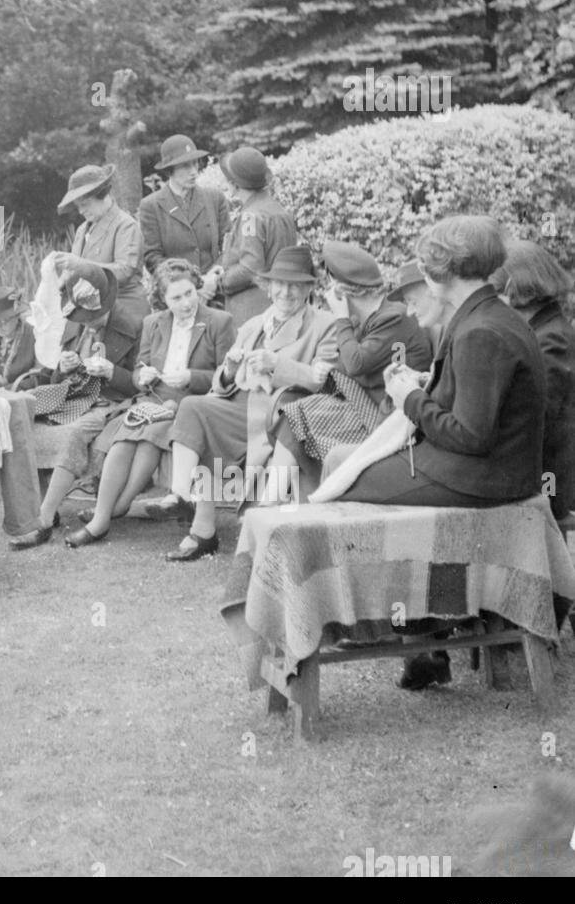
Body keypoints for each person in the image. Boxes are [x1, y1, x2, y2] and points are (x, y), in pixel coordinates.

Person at [346, 217, 548, 692]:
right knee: (344, 464)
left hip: (482, 479)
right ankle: (422, 638)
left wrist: (409, 401)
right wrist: (423, 389)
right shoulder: (487, 316)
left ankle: (397, 631)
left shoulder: (481, 330)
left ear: (442, 271)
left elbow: (471, 435)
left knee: (343, 478)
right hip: (483, 471)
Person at [155, 246, 337, 561]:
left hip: (279, 416)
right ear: (268, 287)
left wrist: (276, 364)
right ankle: (183, 498)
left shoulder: (325, 325)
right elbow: (222, 385)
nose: (286, 292)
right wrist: (227, 369)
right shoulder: (255, 324)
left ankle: (202, 531)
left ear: (309, 288)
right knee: (195, 408)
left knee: (204, 417)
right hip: (241, 407)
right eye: (279, 283)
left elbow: (326, 381)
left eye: (296, 284)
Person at [63, 260, 235, 547]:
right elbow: (137, 372)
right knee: (127, 439)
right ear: (163, 300)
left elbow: (228, 376)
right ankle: (103, 517)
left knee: (148, 432)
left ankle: (112, 512)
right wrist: (143, 375)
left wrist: (192, 376)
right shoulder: (153, 323)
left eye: (190, 293)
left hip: (193, 403)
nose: (185, 303)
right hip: (154, 397)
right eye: (176, 298)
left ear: (198, 289)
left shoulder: (219, 322)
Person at [262, 241, 432, 503]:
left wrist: (340, 317)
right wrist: (327, 367)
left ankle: (274, 502)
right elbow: (350, 368)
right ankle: (272, 501)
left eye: (332, 288)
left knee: (297, 414)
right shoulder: (371, 320)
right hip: (370, 408)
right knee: (293, 412)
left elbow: (356, 364)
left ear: (342, 291)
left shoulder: (394, 318)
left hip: (390, 420)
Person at [10, 265, 140, 549]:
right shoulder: (76, 323)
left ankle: (42, 521)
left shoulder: (133, 326)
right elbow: (57, 378)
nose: (88, 324)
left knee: (73, 434)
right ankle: (46, 506)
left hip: (110, 401)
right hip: (72, 395)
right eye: (83, 319)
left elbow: (140, 385)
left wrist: (112, 372)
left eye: (94, 318)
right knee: (26, 415)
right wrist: (63, 366)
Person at [491, 238, 574, 522]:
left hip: (548, 481)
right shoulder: (542, 330)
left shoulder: (551, 338)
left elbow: (537, 413)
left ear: (514, 288)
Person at [203, 147, 298, 326]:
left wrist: (216, 282)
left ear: (234, 184)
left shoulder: (251, 216)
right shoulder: (278, 210)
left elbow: (250, 269)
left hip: (252, 312)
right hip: (279, 305)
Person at [51, 163, 148, 336]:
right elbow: (77, 272)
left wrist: (81, 265)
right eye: (77, 205)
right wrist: (63, 279)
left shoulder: (125, 225)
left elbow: (125, 271)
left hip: (124, 309)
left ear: (103, 195)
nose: (80, 211)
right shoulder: (82, 230)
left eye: (85, 204)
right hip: (91, 311)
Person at [136, 135, 231, 276]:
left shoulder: (215, 198)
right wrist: (189, 283)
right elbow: (152, 258)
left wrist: (214, 275)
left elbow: (230, 245)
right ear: (170, 170)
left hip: (216, 286)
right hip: (178, 290)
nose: (193, 171)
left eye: (195, 163)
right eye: (185, 165)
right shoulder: (151, 206)